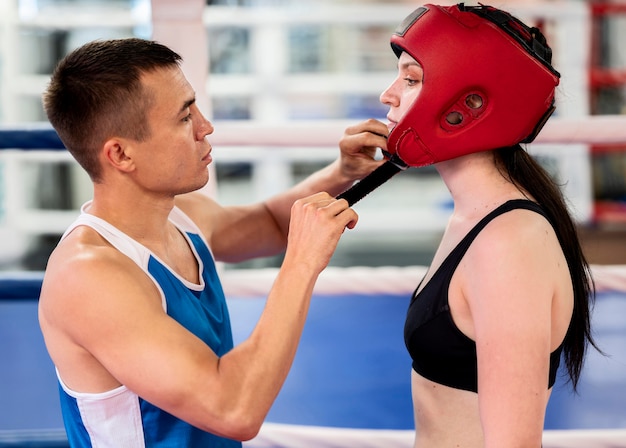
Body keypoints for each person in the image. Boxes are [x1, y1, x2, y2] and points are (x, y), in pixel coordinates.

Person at [37, 38, 384, 447]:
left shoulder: (183, 215)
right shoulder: (89, 276)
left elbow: (271, 223)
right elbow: (233, 409)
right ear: (121, 155)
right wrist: (302, 262)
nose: (206, 127)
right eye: (185, 118)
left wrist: (342, 173)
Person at [349, 3, 599, 447]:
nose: (388, 94)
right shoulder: (475, 216)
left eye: (411, 79)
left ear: (469, 105)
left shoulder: (509, 242)